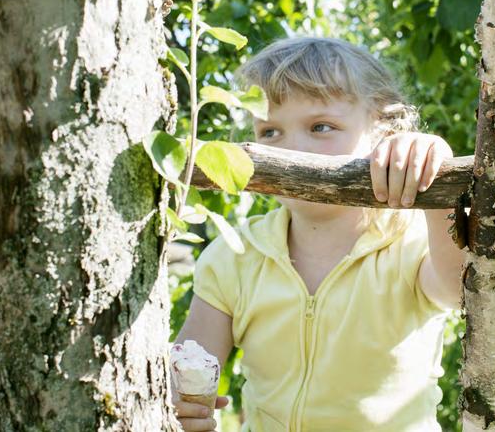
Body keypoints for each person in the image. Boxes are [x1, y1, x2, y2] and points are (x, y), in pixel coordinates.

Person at [173, 36, 462, 431]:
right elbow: (186, 368)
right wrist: (182, 408)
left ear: (384, 131)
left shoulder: (406, 242)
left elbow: (459, 288)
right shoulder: (236, 255)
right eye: (270, 132)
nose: (294, 149)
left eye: (321, 126)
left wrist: (437, 179)